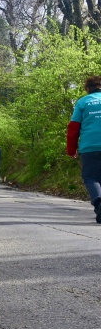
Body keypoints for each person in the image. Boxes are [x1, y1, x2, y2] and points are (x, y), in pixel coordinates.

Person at [67, 75, 101, 223]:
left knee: (91, 178)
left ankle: (99, 204)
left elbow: (73, 128)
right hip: (89, 147)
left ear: (87, 88)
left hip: (89, 147)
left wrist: (71, 149)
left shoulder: (83, 102)